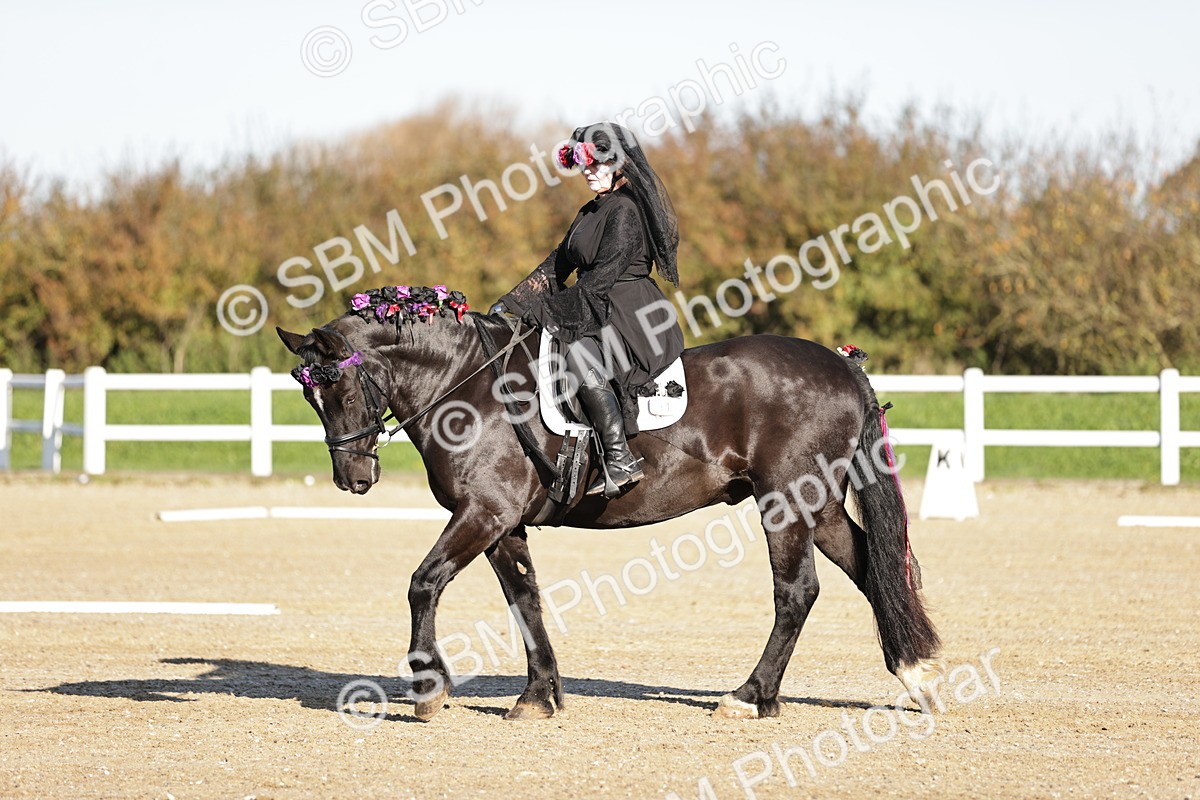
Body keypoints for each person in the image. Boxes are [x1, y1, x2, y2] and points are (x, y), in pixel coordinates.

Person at [489, 123, 684, 498]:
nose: (589, 172)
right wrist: (512, 302)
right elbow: (557, 264)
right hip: (599, 304)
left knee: (576, 352)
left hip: (633, 315)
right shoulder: (590, 210)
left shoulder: (625, 210)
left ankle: (620, 458)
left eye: (598, 164)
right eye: (584, 165)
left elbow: (599, 281)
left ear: (620, 165)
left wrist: (543, 311)